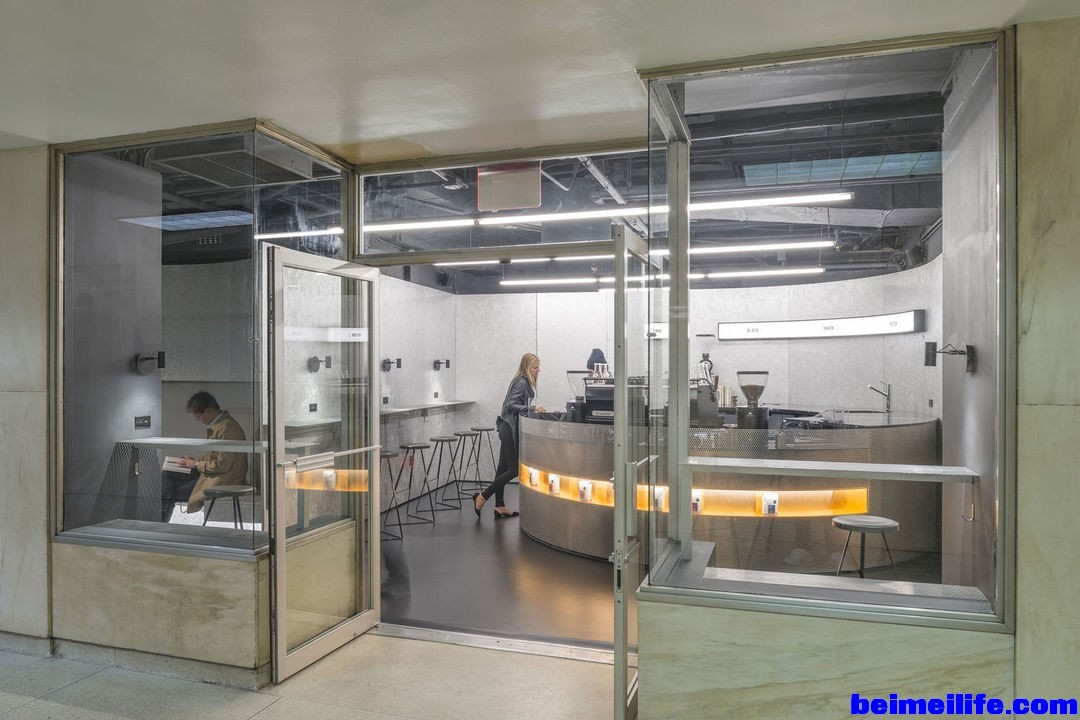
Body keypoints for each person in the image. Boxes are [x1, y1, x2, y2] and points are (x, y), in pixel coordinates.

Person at [474, 353, 544, 520]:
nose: (538, 370)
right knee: (514, 470)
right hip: (508, 428)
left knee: (502, 469)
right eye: (535, 367)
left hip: (507, 427)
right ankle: (482, 496)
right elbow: (510, 405)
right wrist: (532, 408)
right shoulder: (521, 382)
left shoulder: (523, 381)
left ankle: (499, 506)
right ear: (527, 368)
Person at [161, 391, 248, 521]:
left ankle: (159, 522)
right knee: (167, 474)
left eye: (198, 417)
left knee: (170, 490)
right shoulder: (222, 425)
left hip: (223, 479)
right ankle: (160, 521)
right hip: (217, 475)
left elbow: (222, 465)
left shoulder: (226, 429)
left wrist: (196, 464)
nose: (199, 421)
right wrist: (194, 460)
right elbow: (215, 457)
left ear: (208, 411)